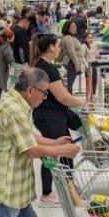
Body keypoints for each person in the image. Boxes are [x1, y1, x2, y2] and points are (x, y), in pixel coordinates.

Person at [0, 68, 80, 217]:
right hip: (4, 188)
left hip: (16, 186)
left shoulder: (17, 102)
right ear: (31, 90)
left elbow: (26, 135)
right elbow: (30, 149)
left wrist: (53, 143)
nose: (45, 97)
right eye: (44, 93)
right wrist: (62, 151)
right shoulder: (13, 109)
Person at [30, 34, 85, 208]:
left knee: (61, 150)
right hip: (50, 116)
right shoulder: (48, 69)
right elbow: (63, 97)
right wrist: (82, 102)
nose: (60, 49)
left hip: (45, 115)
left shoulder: (39, 64)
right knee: (54, 152)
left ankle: (69, 186)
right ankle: (47, 195)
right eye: (58, 46)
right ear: (51, 47)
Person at [59, 20, 83, 94]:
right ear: (67, 29)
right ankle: (68, 102)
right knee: (69, 85)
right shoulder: (68, 38)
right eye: (72, 27)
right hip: (71, 63)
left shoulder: (70, 37)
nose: (75, 28)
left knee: (69, 84)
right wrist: (76, 65)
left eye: (75, 26)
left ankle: (68, 101)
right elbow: (71, 52)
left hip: (72, 63)